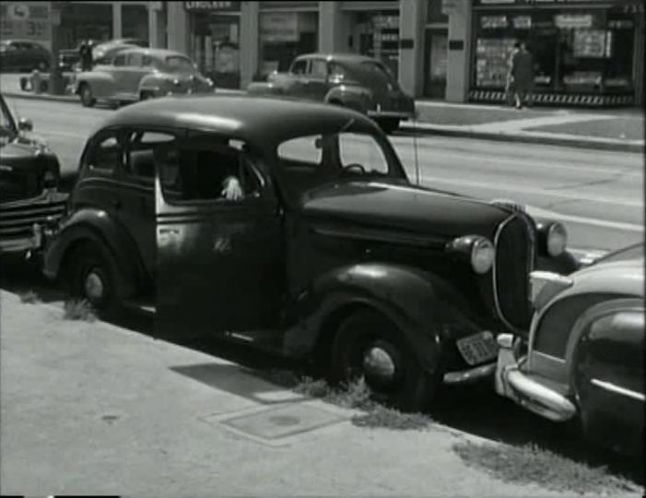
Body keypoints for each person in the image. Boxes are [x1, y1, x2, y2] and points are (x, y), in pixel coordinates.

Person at [510, 41, 534, 109]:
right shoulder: (530, 55)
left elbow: (514, 65)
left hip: (519, 74)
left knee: (519, 89)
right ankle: (529, 102)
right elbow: (531, 65)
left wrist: (512, 74)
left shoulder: (517, 55)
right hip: (527, 74)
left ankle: (519, 103)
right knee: (528, 89)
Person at [505, 43, 520, 107]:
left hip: (513, 74)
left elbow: (511, 64)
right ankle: (517, 103)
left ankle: (511, 102)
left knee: (510, 89)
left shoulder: (514, 54)